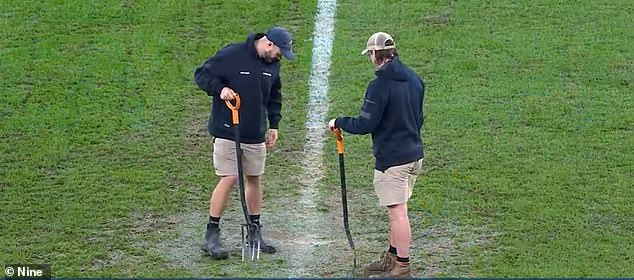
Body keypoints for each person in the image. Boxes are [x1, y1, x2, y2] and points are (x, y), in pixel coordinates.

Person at [328, 32, 424, 278]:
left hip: (393, 160)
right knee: (399, 211)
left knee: (398, 214)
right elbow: (419, 118)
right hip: (414, 155)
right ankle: (392, 258)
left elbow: (365, 123)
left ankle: (402, 266)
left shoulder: (379, 85)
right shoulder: (415, 79)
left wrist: (339, 121)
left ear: (374, 55)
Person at [194, 26, 294, 259]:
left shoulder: (273, 65)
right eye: (280, 52)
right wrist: (220, 89)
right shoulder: (233, 54)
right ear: (269, 45)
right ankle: (212, 233)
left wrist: (274, 125)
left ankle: (254, 230)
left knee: (254, 178)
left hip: (255, 133)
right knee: (229, 177)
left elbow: (274, 96)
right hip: (228, 129)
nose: (280, 58)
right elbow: (202, 74)